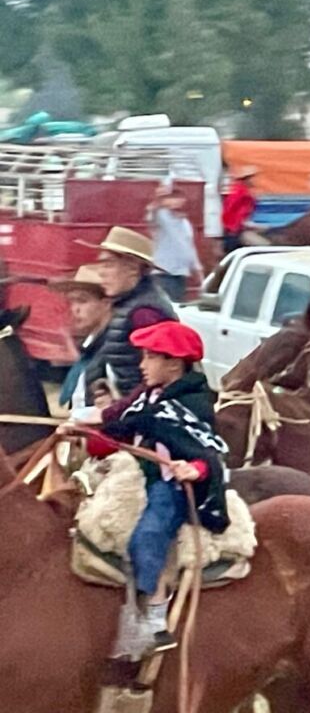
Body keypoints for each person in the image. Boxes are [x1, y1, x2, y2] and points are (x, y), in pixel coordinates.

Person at [74, 321, 229, 659]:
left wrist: (193, 469)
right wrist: (82, 431)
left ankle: (154, 619)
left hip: (169, 485)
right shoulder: (147, 398)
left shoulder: (193, 405)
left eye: (149, 357)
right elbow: (119, 426)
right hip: (138, 476)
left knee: (147, 535)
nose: (141, 365)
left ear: (173, 364)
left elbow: (208, 452)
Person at [78, 226, 177, 401]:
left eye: (108, 264)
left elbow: (156, 382)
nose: (100, 272)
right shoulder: (128, 305)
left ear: (133, 269)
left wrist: (115, 412)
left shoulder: (145, 314)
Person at [49, 264, 112, 411]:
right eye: (72, 301)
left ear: (106, 304)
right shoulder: (92, 345)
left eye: (82, 301)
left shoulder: (113, 347)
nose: (75, 309)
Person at [148, 186, 204, 302]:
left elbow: (189, 247)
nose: (178, 202)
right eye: (174, 198)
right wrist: (159, 200)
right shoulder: (162, 217)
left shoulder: (185, 223)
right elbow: (151, 213)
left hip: (181, 273)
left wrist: (198, 271)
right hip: (164, 273)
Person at [221, 166, 259, 254]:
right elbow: (232, 211)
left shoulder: (240, 191)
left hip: (236, 228)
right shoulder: (241, 193)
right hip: (235, 230)